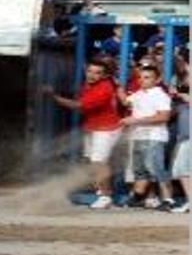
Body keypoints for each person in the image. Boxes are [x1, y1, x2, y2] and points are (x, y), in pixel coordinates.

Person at [46, 59, 123, 209]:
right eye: (90, 71)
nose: (92, 75)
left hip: (107, 129)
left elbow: (78, 105)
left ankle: (106, 196)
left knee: (98, 162)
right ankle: (101, 192)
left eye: (97, 73)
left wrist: (54, 97)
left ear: (104, 75)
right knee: (92, 162)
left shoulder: (104, 88)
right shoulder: (88, 85)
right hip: (94, 129)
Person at [118, 66, 175, 210]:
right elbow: (126, 102)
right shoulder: (139, 93)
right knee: (140, 170)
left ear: (157, 79)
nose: (142, 80)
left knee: (157, 170)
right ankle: (137, 197)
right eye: (141, 77)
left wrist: (136, 120)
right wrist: (118, 88)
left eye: (147, 77)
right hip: (138, 136)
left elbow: (164, 116)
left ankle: (168, 200)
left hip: (154, 137)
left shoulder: (160, 95)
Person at [169, 73, 190, 213]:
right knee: (182, 170)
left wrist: (183, 96)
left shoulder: (185, 97)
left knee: (183, 169)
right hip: (185, 137)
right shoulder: (182, 100)